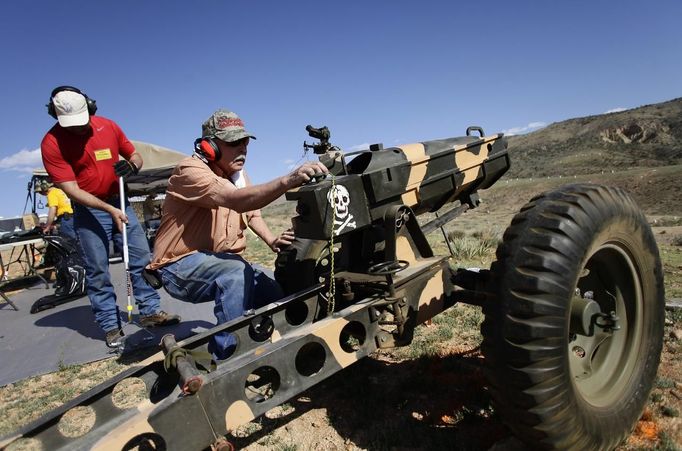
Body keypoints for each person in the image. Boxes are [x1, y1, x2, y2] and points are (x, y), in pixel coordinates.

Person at [148, 109, 328, 360]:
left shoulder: (239, 176)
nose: (242, 149)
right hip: (177, 266)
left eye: (245, 142)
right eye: (234, 143)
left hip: (223, 262)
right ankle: (227, 356)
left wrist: (272, 239)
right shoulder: (190, 171)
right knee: (234, 272)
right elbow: (236, 200)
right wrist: (288, 180)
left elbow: (252, 213)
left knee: (278, 298)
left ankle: (281, 345)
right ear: (209, 147)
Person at [40, 86, 180, 348]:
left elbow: (135, 155)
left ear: (90, 107)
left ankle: (150, 312)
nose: (79, 129)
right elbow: (71, 190)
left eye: (82, 121)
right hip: (89, 210)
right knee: (97, 271)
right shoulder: (52, 143)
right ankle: (110, 325)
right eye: (72, 125)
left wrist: (131, 166)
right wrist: (109, 211)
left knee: (141, 259)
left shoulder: (108, 127)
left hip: (120, 201)